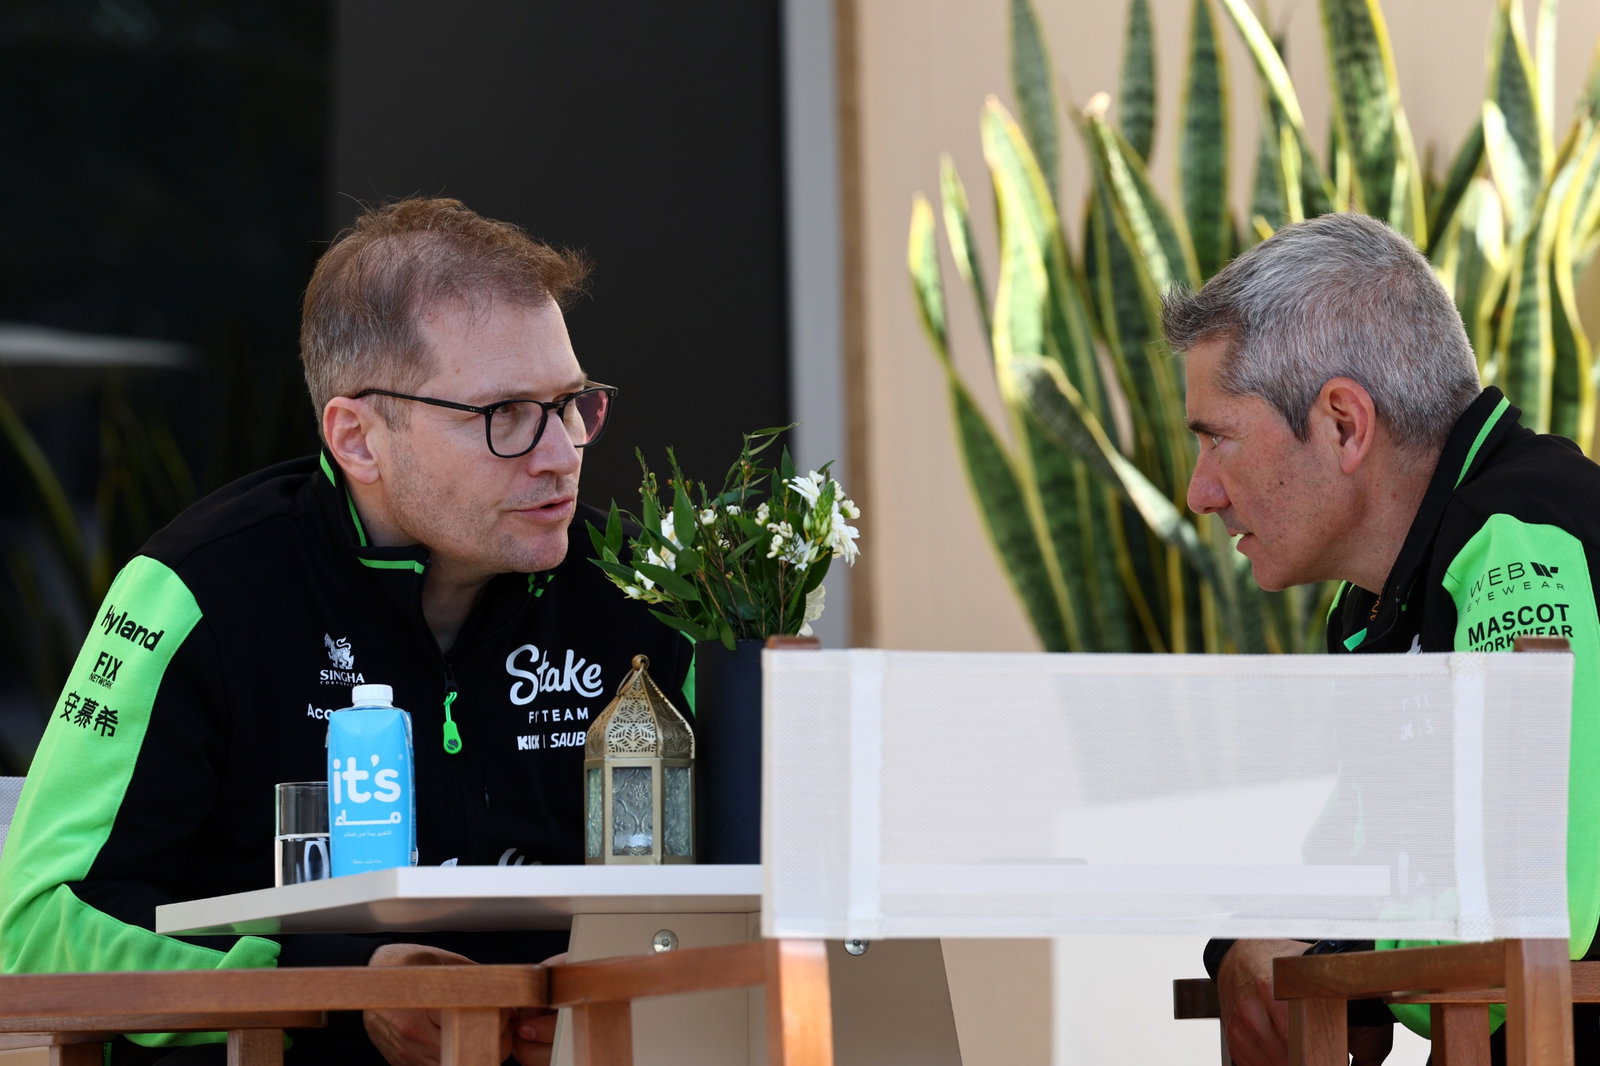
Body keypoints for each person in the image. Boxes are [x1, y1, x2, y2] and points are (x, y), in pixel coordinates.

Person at [0, 197, 693, 1066]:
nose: (560, 452)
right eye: (505, 415)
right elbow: (42, 930)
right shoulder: (194, 591)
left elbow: (737, 885)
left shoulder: (644, 592)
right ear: (358, 438)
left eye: (572, 403)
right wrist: (338, 987)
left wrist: (603, 984)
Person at [1163, 211, 1600, 1066]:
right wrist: (1269, 947)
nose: (1199, 492)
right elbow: (1351, 867)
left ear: (1343, 424)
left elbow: (1535, 912)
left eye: (1217, 439)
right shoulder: (1376, 605)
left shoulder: (1521, 535)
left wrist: (1323, 957)